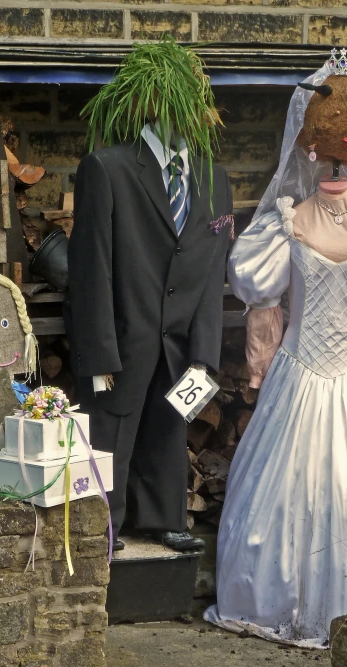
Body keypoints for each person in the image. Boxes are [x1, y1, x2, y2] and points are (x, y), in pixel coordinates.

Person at [205, 49, 347, 647]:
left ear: (313, 145)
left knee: (283, 495)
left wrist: (258, 373)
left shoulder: (291, 223)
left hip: (300, 374)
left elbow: (265, 314)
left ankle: (294, 599)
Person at [65, 38, 233, 553]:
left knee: (169, 427)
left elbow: (209, 273)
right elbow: (89, 269)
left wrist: (205, 355)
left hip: (184, 341)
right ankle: (105, 524)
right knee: (109, 434)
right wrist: (97, 353)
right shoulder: (108, 168)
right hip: (123, 338)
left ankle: (163, 516)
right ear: (155, 103)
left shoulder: (214, 181)